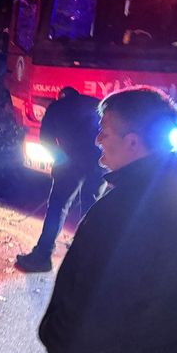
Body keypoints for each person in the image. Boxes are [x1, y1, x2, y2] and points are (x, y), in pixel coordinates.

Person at [39, 86, 177, 353]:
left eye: (105, 132)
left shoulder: (116, 213)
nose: (97, 140)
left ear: (132, 143)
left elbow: (90, 306)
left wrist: (56, 340)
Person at [16, 87, 106, 272]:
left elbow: (46, 140)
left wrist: (60, 161)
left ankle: (42, 256)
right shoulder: (94, 104)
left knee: (58, 207)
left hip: (71, 163)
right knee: (91, 208)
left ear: (61, 96)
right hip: (99, 161)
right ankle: (88, 258)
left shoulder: (56, 107)